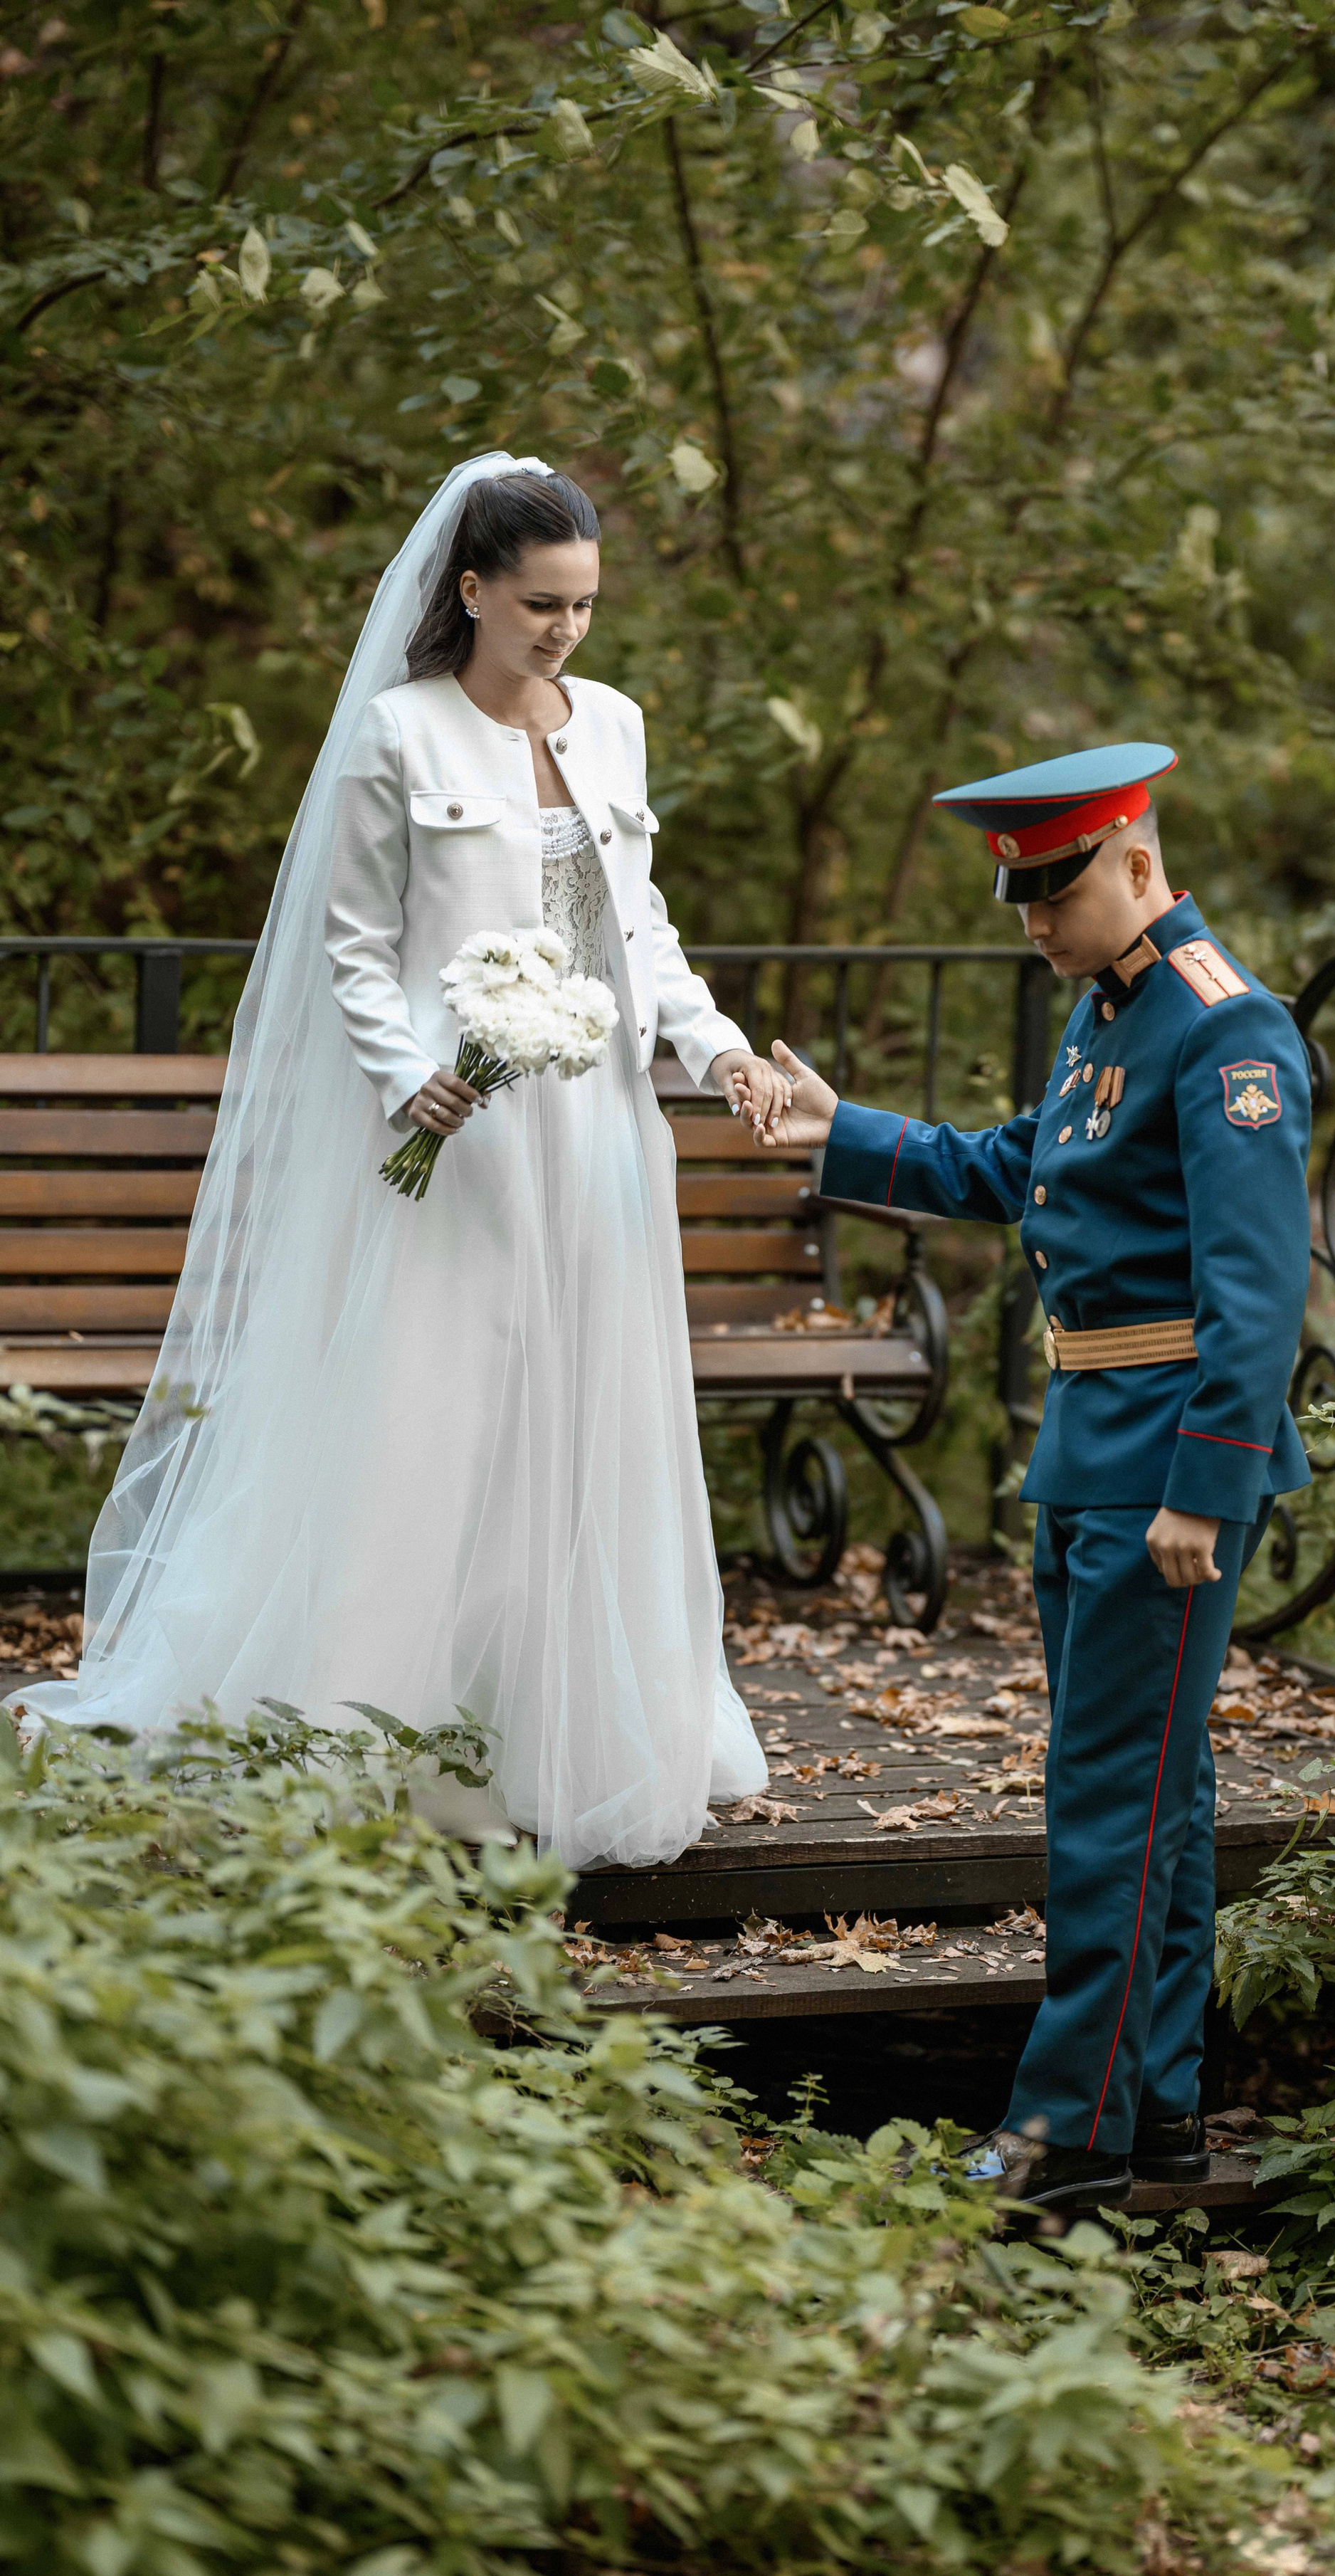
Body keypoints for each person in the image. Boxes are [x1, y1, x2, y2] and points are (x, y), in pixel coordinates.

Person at [16, 453, 783, 1869]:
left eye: (585, 606)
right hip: (468, 1131)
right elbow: (355, 945)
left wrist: (715, 1046)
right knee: (444, 1409)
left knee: (584, 1416)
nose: (563, 631)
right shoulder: (399, 735)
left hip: (600, 1131)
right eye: (540, 603)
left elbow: (641, 928)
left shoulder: (612, 727)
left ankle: (578, 1724)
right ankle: (382, 1730)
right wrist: (405, 1076)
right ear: (474, 589)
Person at [755, 745, 1312, 2215]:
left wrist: (1207, 1487)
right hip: (1091, 1451)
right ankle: (1159, 2116)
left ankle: (1063, 2129)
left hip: (1161, 1477)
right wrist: (840, 1130)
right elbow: (1028, 1170)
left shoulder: (1225, 1031)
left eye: (1052, 894)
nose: (1031, 925)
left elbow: (1256, 1297)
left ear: (1134, 860)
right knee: (1155, 1806)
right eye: (1019, 899)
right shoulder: (1109, 1011)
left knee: (1106, 1809)